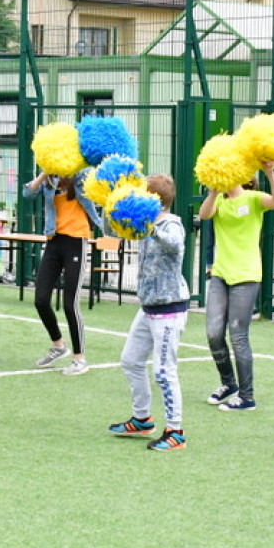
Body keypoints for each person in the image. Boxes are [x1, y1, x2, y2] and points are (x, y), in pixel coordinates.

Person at [108, 175, 191, 451]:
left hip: (169, 310)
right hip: (148, 307)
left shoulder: (171, 223)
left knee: (165, 372)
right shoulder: (143, 225)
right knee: (130, 360)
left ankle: (175, 431)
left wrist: (150, 228)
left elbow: (175, 245)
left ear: (154, 199)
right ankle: (142, 418)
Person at [202, 160, 274, 411]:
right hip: (220, 274)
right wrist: (214, 189)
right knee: (213, 333)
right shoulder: (219, 202)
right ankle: (228, 383)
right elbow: (204, 215)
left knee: (238, 336)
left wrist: (270, 173)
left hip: (247, 276)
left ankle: (247, 397)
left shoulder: (253, 198)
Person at [23, 168, 101, 376]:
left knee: (69, 303)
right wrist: (42, 175)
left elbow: (95, 194)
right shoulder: (50, 178)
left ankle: (79, 358)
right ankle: (58, 345)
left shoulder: (82, 175)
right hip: (53, 241)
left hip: (76, 241)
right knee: (40, 299)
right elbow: (28, 194)